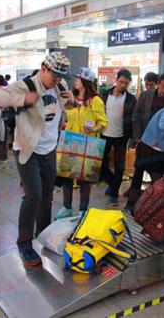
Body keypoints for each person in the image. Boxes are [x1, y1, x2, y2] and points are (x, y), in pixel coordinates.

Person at [0, 52, 75, 267]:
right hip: (28, 149)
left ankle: (42, 234)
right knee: (33, 195)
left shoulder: (59, 84)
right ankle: (24, 243)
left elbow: (65, 109)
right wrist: (22, 99)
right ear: (43, 68)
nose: (56, 81)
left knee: (46, 196)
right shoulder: (26, 85)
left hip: (50, 149)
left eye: (60, 77)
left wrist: (70, 100)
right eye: (53, 76)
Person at [55, 67, 107, 220]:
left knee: (85, 180)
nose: (75, 81)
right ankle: (67, 207)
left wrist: (93, 128)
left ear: (86, 82)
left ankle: (83, 210)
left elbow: (103, 122)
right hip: (70, 141)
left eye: (78, 78)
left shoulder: (95, 100)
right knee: (67, 177)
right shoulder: (71, 98)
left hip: (89, 143)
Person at [127, 73, 164, 200]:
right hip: (144, 138)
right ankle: (133, 197)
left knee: (157, 171)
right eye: (163, 86)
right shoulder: (145, 95)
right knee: (139, 167)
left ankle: (155, 197)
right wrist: (137, 136)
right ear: (158, 84)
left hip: (161, 143)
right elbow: (136, 116)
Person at [100, 68, 137, 205]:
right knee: (101, 164)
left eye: (126, 83)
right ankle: (112, 183)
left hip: (121, 136)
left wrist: (133, 137)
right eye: (121, 82)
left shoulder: (131, 99)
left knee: (119, 166)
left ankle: (114, 193)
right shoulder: (104, 95)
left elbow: (134, 118)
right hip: (104, 134)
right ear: (116, 80)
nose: (123, 85)